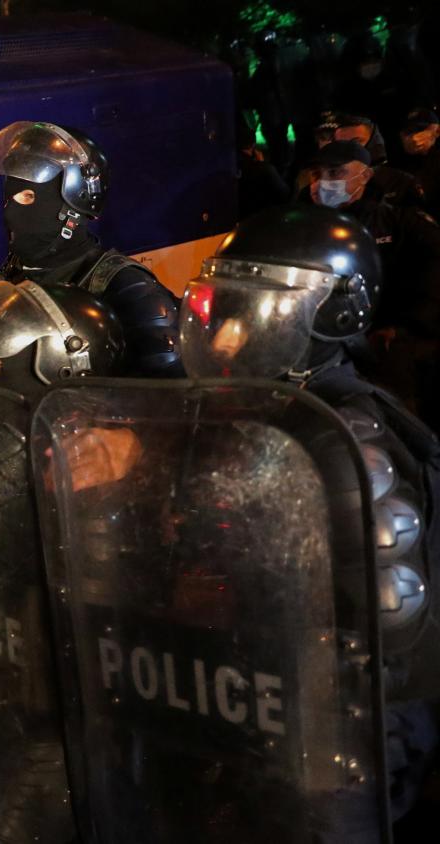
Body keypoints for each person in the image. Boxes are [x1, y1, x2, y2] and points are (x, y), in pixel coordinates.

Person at [180, 204, 440, 832]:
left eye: (256, 312)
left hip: (336, 736)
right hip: (243, 704)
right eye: (227, 310)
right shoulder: (253, 409)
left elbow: (384, 635)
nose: (228, 337)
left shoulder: (347, 440)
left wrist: (323, 762)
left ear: (334, 312)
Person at [0, 121, 183, 377]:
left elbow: (164, 396)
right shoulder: (7, 277)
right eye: (7, 200)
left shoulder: (127, 290)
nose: (12, 212)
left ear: (72, 209)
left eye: (28, 197)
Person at [300, 139, 440, 427]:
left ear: (364, 176)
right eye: (317, 174)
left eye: (335, 173)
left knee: (397, 414)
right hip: (320, 339)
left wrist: (405, 328)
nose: (322, 183)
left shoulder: (397, 218)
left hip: (386, 339)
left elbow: (430, 274)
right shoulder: (301, 220)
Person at [400, 108, 440, 215]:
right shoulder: (403, 163)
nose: (414, 137)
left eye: (420, 129)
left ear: (437, 131)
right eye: (409, 132)